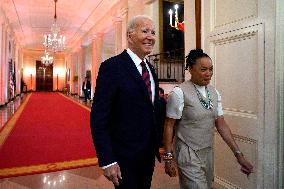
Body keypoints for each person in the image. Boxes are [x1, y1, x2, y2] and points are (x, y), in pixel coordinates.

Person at [162, 49, 253, 189]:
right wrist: (168, 158)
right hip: (187, 152)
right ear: (191, 69)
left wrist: (238, 154)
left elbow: (221, 124)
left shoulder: (214, 92)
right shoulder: (179, 93)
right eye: (203, 69)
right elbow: (168, 126)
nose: (208, 73)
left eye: (211, 69)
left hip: (207, 152)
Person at [90, 15, 161, 189]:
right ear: (130, 36)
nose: (151, 37)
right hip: (124, 156)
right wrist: (107, 160)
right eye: (144, 31)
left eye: (153, 32)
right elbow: (99, 118)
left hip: (147, 155)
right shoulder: (112, 67)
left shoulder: (150, 69)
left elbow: (149, 106)